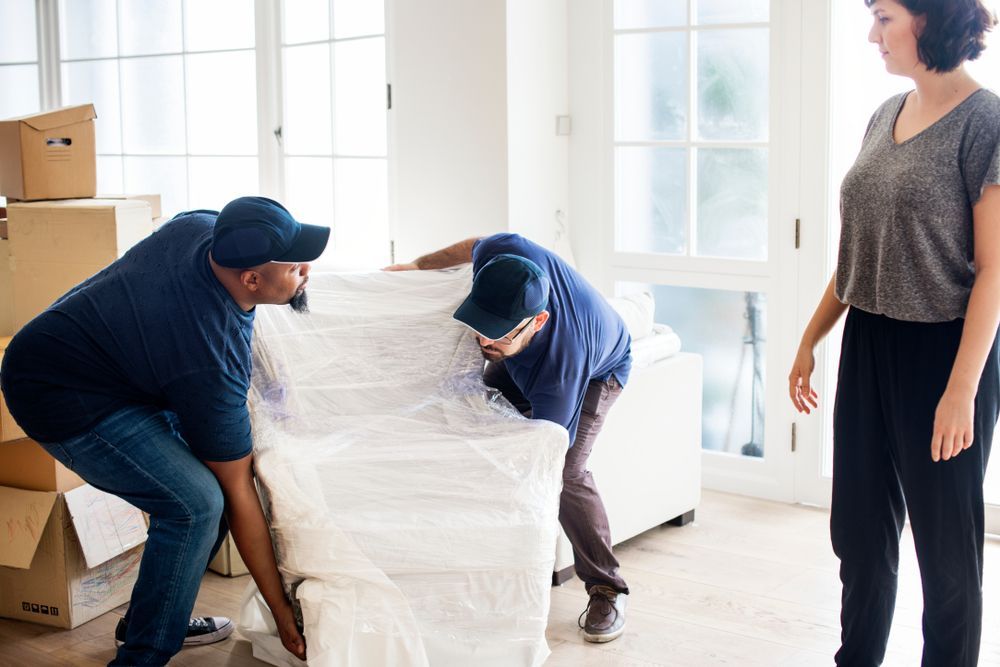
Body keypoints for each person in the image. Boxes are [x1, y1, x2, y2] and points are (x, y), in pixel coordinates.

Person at [0, 196, 329, 666]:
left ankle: (145, 621)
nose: (307, 270)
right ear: (251, 279)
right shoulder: (210, 359)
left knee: (203, 497)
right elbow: (239, 490)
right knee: (197, 506)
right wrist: (281, 612)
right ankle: (142, 655)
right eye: (295, 265)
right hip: (58, 392)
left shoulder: (202, 228)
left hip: (109, 364)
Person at [789, 1, 1000, 664]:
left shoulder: (986, 121)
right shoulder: (884, 116)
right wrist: (810, 337)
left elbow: (995, 269)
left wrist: (961, 387)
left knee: (945, 552)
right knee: (858, 530)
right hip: (869, 342)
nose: (871, 34)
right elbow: (859, 251)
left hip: (943, 352)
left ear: (930, 18)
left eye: (883, 16)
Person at [386, 233, 633, 643]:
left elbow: (545, 461)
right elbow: (474, 243)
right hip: (529, 354)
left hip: (599, 370)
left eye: (498, 333)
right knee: (468, 412)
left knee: (566, 473)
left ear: (537, 321)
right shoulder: (505, 253)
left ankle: (607, 588)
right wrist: (416, 266)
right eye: (480, 327)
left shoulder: (559, 371)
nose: (484, 341)